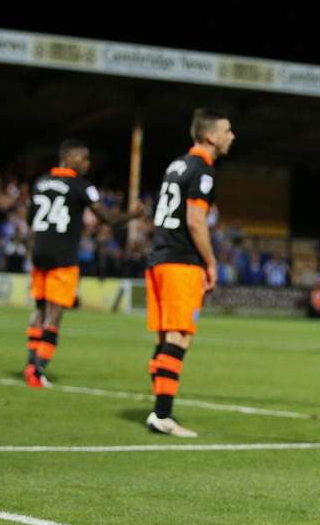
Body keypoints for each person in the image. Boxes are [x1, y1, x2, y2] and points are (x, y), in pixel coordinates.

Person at [24, 140, 144, 388]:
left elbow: (30, 219)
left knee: (39, 309)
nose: (87, 164)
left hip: (40, 252)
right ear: (69, 158)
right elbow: (109, 218)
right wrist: (134, 213)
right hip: (62, 256)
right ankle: (38, 370)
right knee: (54, 315)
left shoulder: (40, 182)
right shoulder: (81, 186)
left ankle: (29, 364)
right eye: (84, 158)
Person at [145, 108, 235, 437]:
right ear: (211, 136)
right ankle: (162, 414)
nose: (231, 136)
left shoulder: (177, 163)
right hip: (181, 260)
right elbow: (196, 221)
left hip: (158, 256)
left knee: (165, 336)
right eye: (227, 130)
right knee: (179, 336)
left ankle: (159, 407)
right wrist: (211, 262)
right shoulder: (203, 169)